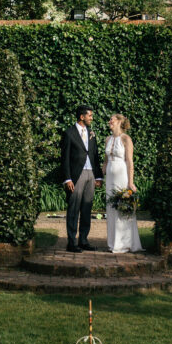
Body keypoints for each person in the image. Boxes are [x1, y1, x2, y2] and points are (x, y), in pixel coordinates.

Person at [60, 105, 102, 253]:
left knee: (86, 208)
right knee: (73, 209)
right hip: (76, 176)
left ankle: (83, 240)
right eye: (89, 115)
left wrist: (98, 176)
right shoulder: (69, 133)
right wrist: (67, 179)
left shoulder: (92, 133)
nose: (92, 118)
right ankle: (72, 243)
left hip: (90, 174)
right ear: (82, 117)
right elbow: (64, 158)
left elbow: (95, 155)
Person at [104, 113, 143, 254]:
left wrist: (130, 182)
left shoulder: (126, 139)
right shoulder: (107, 139)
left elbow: (129, 162)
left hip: (122, 177)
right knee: (111, 208)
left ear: (120, 121)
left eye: (112, 119)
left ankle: (125, 243)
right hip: (109, 178)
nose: (110, 121)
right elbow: (105, 161)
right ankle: (113, 243)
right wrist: (98, 177)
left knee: (122, 207)